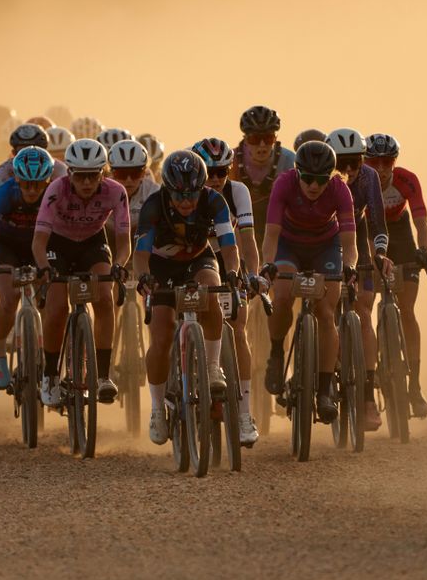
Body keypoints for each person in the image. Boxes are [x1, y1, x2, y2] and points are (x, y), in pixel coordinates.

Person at [135, 151, 242, 445]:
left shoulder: (214, 201)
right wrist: (145, 278)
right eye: (179, 195)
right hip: (161, 265)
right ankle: (157, 408)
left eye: (192, 194)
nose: (186, 202)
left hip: (198, 259)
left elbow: (229, 247)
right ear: (167, 189)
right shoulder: (153, 205)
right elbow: (141, 255)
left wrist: (233, 272)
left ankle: (211, 367)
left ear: (202, 188)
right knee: (161, 334)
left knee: (211, 291)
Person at [260, 140, 359, 423]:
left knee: (326, 313)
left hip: (325, 247)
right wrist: (267, 265)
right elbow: (270, 236)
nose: (314, 186)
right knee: (281, 297)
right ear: (297, 173)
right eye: (308, 178)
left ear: (331, 176)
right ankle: (277, 354)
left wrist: (350, 266)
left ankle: (325, 390)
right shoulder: (284, 184)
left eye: (321, 180)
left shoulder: (340, 189)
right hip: (288, 246)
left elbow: (349, 243)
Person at [32, 138, 131, 406]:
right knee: (56, 308)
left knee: (105, 296)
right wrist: (44, 269)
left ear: (103, 173)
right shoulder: (56, 189)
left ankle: (102, 376)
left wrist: (119, 265)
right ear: (70, 174)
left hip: (92, 243)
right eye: (81, 176)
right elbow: (39, 242)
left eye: (93, 175)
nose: (87, 183)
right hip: (58, 245)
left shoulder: (115, 191)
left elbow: (123, 243)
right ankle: (50, 375)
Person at [192, 137, 263, 445]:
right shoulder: (188, 193)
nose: (217, 178)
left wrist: (251, 275)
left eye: (222, 171)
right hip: (194, 257)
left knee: (238, 328)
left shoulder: (239, 192)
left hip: (228, 254)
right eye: (210, 171)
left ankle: (244, 413)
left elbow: (247, 239)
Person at [326, 128, 391, 431]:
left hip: (359, 242)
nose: (349, 171)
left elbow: (377, 219)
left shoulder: (369, 177)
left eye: (354, 163)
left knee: (364, 312)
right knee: (322, 310)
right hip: (324, 241)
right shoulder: (322, 176)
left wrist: (379, 253)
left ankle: (366, 396)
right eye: (342, 163)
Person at [365, 133, 427, 418]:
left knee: (407, 310)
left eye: (387, 162)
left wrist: (424, 250)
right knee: (364, 304)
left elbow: (421, 221)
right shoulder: (359, 182)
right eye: (374, 161)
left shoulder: (406, 179)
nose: (381, 168)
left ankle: (414, 387)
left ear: (395, 162)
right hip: (368, 232)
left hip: (401, 234)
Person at [0, 146, 55, 390]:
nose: (32, 191)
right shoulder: (4, 194)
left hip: (41, 246)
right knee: (9, 299)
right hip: (7, 247)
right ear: (17, 179)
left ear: (48, 181)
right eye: (26, 185)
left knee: (52, 300)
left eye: (38, 185)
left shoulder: (53, 196)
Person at [231, 106, 296, 253]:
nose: (262, 146)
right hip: (240, 223)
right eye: (255, 139)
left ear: (275, 139)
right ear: (245, 139)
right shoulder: (231, 161)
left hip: (277, 223)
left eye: (268, 139)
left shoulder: (289, 161)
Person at [0, 123, 68, 193]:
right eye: (22, 152)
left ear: (45, 152)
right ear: (13, 153)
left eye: (34, 152)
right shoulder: (4, 170)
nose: (28, 156)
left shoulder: (60, 169)